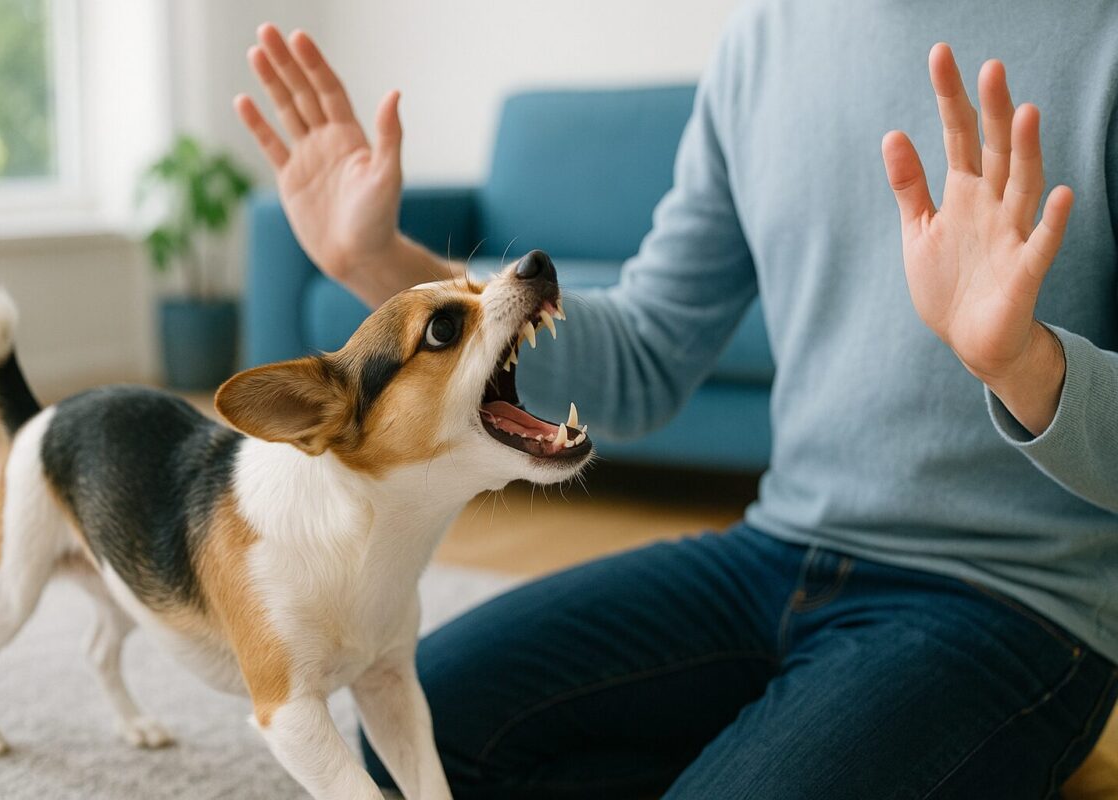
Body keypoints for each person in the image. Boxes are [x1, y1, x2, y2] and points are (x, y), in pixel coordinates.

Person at [234, 2, 1118, 796]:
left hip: (1012, 599)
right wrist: (375, 261)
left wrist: (1022, 363)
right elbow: (646, 354)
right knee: (421, 731)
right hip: (777, 552)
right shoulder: (766, 40)